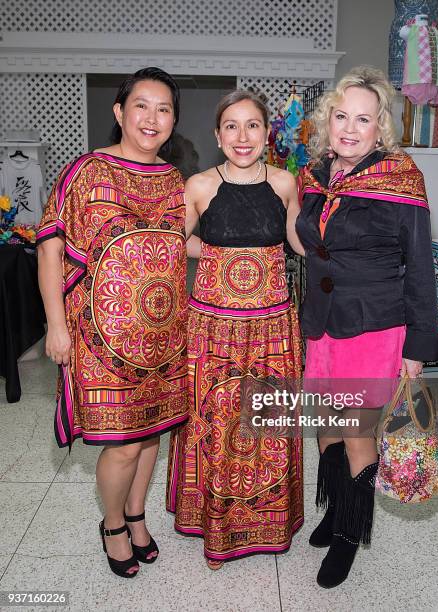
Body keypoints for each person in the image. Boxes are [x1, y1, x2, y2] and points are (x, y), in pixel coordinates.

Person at [296, 65, 438, 589]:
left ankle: (348, 533)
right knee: (326, 431)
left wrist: (417, 345)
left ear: (379, 127)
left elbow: (420, 265)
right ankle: (332, 507)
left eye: (362, 119)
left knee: (357, 434)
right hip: (321, 326)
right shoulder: (315, 173)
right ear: (327, 120)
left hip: (373, 328)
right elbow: (311, 243)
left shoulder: (401, 177)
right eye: (341, 115)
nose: (349, 127)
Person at [37, 67, 188, 578]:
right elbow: (51, 245)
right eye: (141, 105)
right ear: (120, 113)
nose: (152, 117)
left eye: (163, 108)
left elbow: (174, 245)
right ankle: (112, 525)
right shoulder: (85, 172)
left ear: (173, 122)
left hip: (165, 336)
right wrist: (55, 326)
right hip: (101, 335)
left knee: (151, 436)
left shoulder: (173, 179)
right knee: (123, 442)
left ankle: (136, 514)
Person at [166, 90, 305, 569]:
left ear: (268, 133)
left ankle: (268, 521)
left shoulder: (287, 182)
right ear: (217, 134)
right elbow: (178, 241)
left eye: (252, 126)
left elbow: (296, 242)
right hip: (213, 327)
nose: (242, 137)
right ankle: (217, 530)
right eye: (231, 126)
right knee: (216, 422)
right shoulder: (199, 185)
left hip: (273, 327)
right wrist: (226, 260)